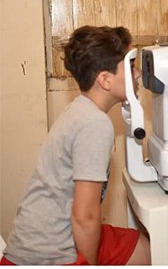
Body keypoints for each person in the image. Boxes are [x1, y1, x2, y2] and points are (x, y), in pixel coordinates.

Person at [1, 26, 151, 265]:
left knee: (145, 249)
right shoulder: (94, 124)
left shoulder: (82, 110)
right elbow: (84, 218)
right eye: (131, 66)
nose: (137, 74)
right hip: (48, 253)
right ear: (105, 79)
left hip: (61, 232)